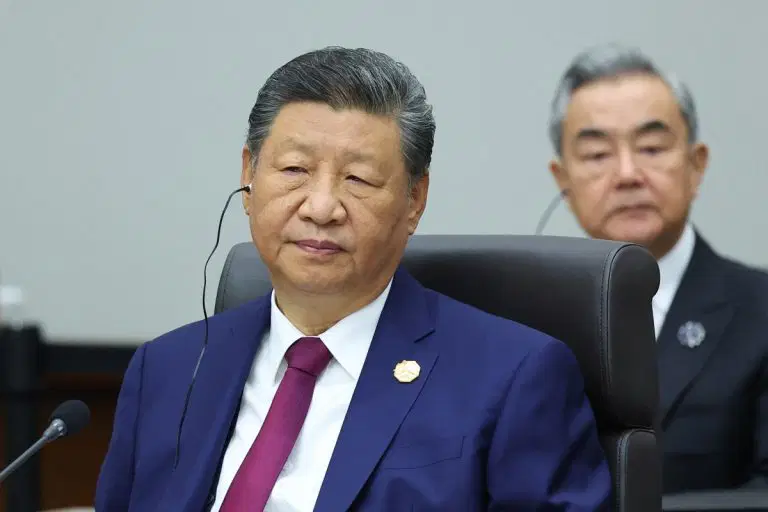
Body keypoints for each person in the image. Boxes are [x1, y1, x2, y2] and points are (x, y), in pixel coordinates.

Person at [96, 46, 610, 511]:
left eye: (358, 179)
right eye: (294, 170)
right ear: (248, 176)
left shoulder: (513, 377)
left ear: (414, 200)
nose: (321, 208)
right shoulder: (167, 369)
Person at [547, 43, 768, 493]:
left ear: (696, 166)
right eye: (597, 155)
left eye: (651, 147)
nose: (628, 174)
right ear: (563, 180)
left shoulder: (760, 311)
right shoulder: (524, 322)